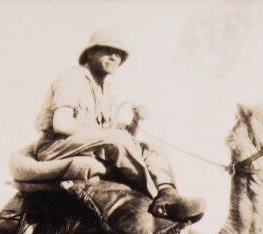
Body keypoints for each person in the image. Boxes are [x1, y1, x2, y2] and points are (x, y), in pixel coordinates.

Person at [33, 29, 206, 222]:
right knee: (116, 138)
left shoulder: (106, 90)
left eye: (119, 54)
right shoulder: (73, 78)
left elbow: (121, 139)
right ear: (90, 53)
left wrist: (135, 121)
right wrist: (107, 134)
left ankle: (167, 192)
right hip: (56, 147)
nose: (114, 56)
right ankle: (153, 198)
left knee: (152, 147)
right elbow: (61, 124)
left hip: (86, 146)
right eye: (107, 50)